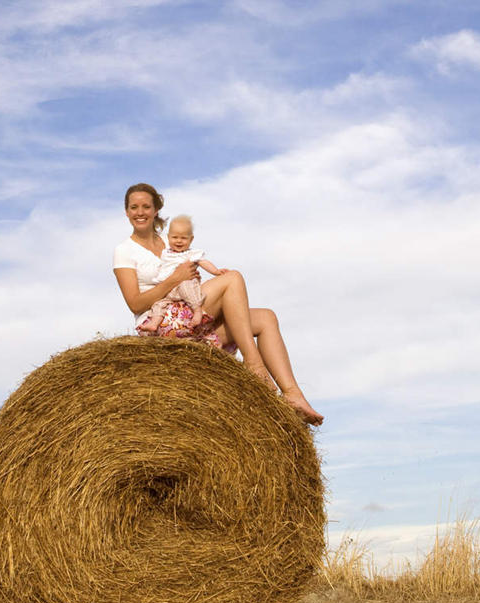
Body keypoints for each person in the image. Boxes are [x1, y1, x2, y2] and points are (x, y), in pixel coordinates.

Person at [113, 182, 324, 426]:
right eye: (134, 207)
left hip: (188, 317)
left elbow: (194, 265)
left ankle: (292, 395)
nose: (140, 212)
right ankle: (255, 367)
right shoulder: (124, 251)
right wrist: (175, 279)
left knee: (266, 318)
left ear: (156, 210)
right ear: (126, 212)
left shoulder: (169, 241)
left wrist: (193, 280)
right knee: (232, 278)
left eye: (146, 207)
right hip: (159, 325)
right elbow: (135, 304)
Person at [139, 214, 226, 332]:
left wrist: (215, 271)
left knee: (186, 286)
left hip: (185, 286)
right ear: (168, 237)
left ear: (191, 239)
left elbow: (203, 262)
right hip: (169, 291)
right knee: (158, 304)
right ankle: (154, 323)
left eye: (184, 238)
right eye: (175, 237)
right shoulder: (166, 253)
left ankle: (197, 310)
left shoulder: (191, 254)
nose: (179, 241)